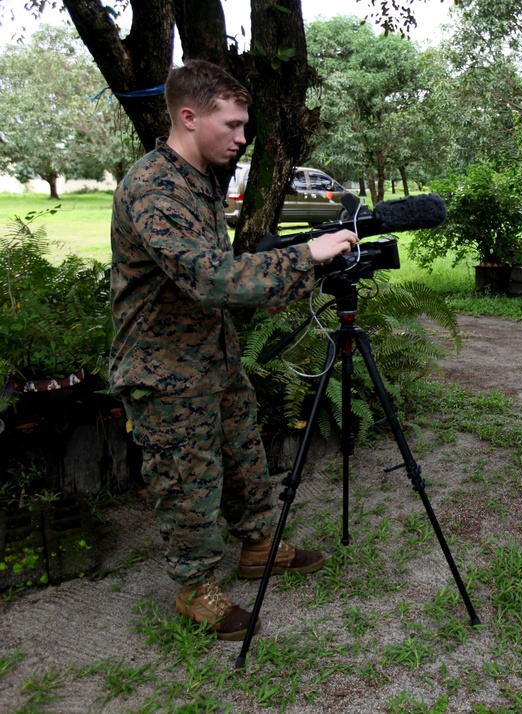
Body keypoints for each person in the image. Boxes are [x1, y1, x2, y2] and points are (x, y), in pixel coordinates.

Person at [110, 60, 358, 640]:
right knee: (187, 480)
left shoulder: (198, 180)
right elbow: (207, 277)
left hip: (212, 356)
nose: (243, 138)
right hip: (164, 370)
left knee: (245, 457)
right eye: (234, 124)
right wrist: (308, 255)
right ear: (190, 117)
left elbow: (223, 279)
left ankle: (259, 545)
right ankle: (196, 589)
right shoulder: (154, 186)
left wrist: (284, 285)